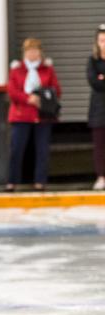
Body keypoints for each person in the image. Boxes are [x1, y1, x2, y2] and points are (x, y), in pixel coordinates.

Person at [6, 38, 61, 192]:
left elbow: (56, 90)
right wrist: (28, 98)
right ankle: (12, 181)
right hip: (21, 115)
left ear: (40, 52)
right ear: (25, 52)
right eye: (29, 50)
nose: (33, 53)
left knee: (42, 149)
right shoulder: (17, 70)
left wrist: (42, 98)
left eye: (35, 50)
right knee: (17, 148)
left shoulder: (47, 70)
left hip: (43, 115)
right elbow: (12, 91)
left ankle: (40, 181)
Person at [87, 24, 105, 190]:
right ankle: (101, 177)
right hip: (99, 110)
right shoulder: (92, 60)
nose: (104, 43)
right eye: (101, 40)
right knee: (99, 145)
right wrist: (100, 80)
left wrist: (102, 78)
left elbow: (100, 82)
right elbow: (94, 82)